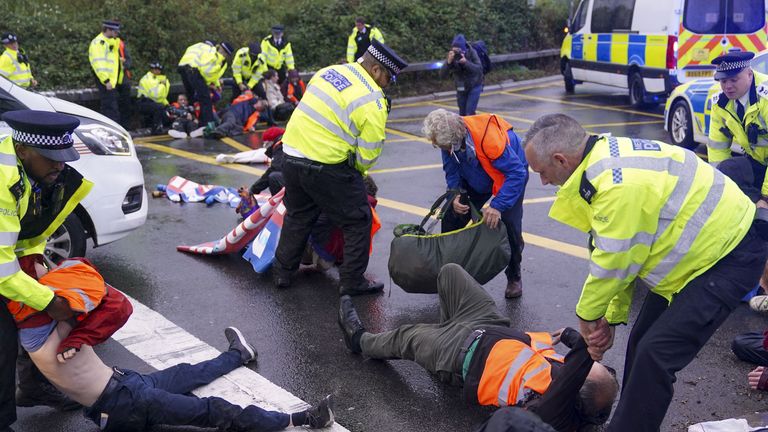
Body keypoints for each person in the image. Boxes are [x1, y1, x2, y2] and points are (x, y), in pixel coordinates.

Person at [523, 113, 768, 431]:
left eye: (542, 172)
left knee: (656, 355)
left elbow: (615, 260)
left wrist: (588, 318)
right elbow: (621, 253)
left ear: (560, 159)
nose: (542, 182)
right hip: (699, 260)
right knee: (640, 342)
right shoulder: (603, 159)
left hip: (730, 256)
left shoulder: (615, 184)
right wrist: (609, 318)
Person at [338, 264, 618, 432]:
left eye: (586, 367)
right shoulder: (569, 380)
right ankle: (440, 334)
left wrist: (587, 345)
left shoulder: (554, 411)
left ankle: (359, 340)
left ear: (575, 384)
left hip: (460, 353)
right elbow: (582, 367)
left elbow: (578, 365)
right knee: (450, 273)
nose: (569, 362)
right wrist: (570, 335)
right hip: (487, 323)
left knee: (405, 337)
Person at [22, 307, 335, 432]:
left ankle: (239, 354)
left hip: (127, 385)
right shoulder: (46, 342)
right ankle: (303, 419)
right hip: (124, 405)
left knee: (186, 373)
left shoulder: (46, 331)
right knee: (215, 410)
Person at [272, 40, 407, 296]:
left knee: (298, 215)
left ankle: (282, 273)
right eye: (389, 77)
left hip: (290, 154)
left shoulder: (329, 72)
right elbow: (367, 156)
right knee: (358, 219)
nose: (388, 84)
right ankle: (352, 281)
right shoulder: (374, 101)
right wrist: (354, 173)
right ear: (376, 70)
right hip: (327, 166)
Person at [0, 110, 96, 431]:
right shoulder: (2, 180)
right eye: (50, 157)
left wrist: (36, 257)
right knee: (3, 337)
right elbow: (2, 271)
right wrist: (49, 301)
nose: (60, 165)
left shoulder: (32, 170)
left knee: (30, 314)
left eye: (62, 156)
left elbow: (30, 228)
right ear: (23, 150)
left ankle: (29, 388)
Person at [422, 109, 528, 298]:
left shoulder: (489, 138)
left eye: (437, 143)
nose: (434, 145)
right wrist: (454, 193)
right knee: (451, 215)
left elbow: (516, 174)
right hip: (477, 173)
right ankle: (450, 273)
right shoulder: (448, 142)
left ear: (453, 139)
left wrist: (497, 205)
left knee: (510, 225)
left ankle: (514, 277)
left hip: (509, 175)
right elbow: (451, 169)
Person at [707, 51, 768, 205]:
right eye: (723, 81)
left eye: (734, 80)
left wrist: (765, 196)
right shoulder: (719, 101)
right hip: (759, 162)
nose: (728, 87)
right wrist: (720, 187)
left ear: (749, 74)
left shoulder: (765, 98)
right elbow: (717, 147)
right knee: (728, 169)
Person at [178, 41, 234, 136]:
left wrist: (216, 84)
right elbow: (206, 71)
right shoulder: (212, 52)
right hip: (194, 71)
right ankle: (206, 126)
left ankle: (191, 123)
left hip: (183, 68)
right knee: (205, 99)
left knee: (191, 97)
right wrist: (209, 84)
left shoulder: (197, 46)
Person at [88, 20, 130, 126]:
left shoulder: (111, 41)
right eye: (115, 31)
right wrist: (106, 80)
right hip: (105, 81)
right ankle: (111, 132)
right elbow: (98, 65)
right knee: (110, 109)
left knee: (112, 107)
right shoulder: (98, 43)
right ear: (108, 30)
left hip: (112, 81)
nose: (117, 34)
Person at [441, 34, 483, 116]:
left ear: (463, 49)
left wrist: (466, 63)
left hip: (474, 85)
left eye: (459, 50)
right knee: (462, 114)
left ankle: (471, 128)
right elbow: (442, 75)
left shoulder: (472, 53)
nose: (457, 53)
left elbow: (478, 70)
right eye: (455, 50)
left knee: (469, 112)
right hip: (461, 87)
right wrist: (448, 63)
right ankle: (464, 129)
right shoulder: (452, 56)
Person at [249, 127, 287, 195]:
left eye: (266, 144)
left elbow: (274, 168)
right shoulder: (287, 143)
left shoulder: (281, 146)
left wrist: (253, 190)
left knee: (274, 177)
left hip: (300, 182)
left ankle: (281, 202)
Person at [135, 62, 170, 135]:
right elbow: (155, 95)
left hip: (153, 102)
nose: (157, 71)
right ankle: (156, 128)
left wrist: (167, 105)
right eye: (155, 69)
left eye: (159, 69)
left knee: (168, 110)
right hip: (143, 102)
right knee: (159, 107)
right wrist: (162, 85)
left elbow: (163, 96)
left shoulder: (159, 79)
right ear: (151, 69)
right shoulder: (147, 79)